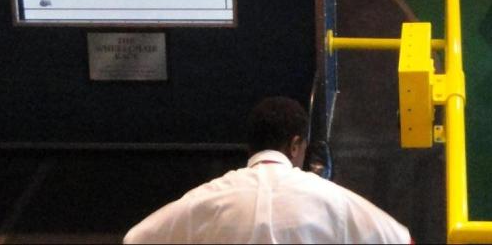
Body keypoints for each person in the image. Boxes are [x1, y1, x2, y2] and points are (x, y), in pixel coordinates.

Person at [124, 96, 410, 244]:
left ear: (251, 145)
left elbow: (136, 239)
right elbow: (400, 239)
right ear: (296, 145)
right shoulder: (330, 199)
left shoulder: (207, 199)